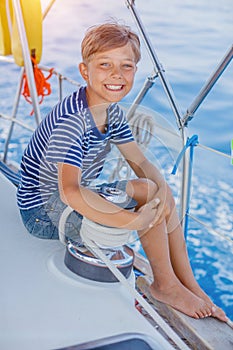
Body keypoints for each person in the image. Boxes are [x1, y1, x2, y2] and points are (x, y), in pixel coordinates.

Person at [17, 22, 228, 322]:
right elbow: (71, 192)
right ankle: (166, 285)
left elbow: (140, 162)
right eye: (105, 65)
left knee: (155, 189)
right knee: (147, 198)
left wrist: (162, 194)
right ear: (85, 71)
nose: (117, 75)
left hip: (68, 197)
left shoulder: (111, 111)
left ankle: (188, 284)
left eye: (126, 66)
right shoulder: (73, 123)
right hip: (42, 213)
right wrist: (134, 220)